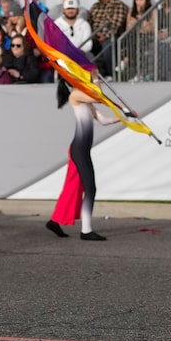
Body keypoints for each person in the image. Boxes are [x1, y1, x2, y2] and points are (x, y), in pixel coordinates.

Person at [45, 78, 129, 241]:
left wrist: (124, 117)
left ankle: (54, 221)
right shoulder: (76, 95)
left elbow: (104, 121)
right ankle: (86, 231)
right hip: (79, 150)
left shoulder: (86, 101)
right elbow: (98, 95)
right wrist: (96, 76)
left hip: (82, 149)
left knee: (73, 188)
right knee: (90, 188)